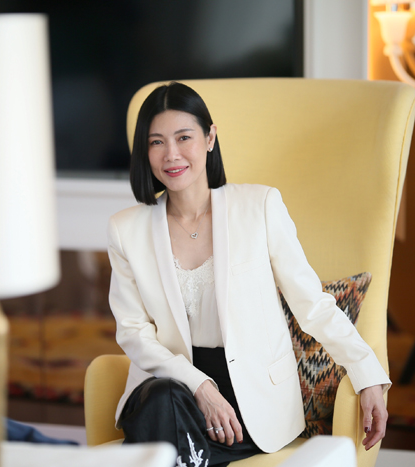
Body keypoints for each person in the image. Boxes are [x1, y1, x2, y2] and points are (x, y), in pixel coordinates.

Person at [107, 82, 391, 467]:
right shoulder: (126, 229)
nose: (171, 154)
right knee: (163, 401)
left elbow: (311, 304)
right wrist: (199, 385)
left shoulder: (259, 206)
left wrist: (366, 372)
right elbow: (133, 332)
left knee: (166, 438)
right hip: (173, 391)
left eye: (184, 137)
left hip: (251, 403)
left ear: (210, 138)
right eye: (157, 142)